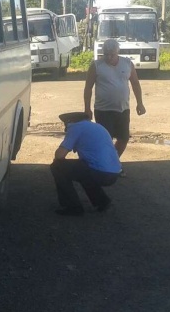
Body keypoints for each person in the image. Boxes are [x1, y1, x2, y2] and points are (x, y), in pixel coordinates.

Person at [84, 39, 146, 176]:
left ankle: (111, 162)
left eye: (112, 54)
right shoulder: (96, 65)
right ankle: (106, 165)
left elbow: (135, 84)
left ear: (117, 52)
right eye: (106, 54)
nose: (109, 57)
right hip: (103, 110)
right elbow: (88, 87)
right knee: (106, 140)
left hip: (123, 109)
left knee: (124, 138)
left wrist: (140, 103)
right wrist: (87, 108)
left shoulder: (127, 63)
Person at [50, 112, 121, 217]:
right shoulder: (97, 126)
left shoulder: (76, 127)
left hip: (100, 172)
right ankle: (102, 202)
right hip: (113, 172)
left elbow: (59, 155)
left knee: (57, 166)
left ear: (69, 122)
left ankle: (72, 206)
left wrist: (58, 159)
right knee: (83, 170)